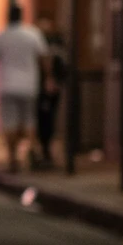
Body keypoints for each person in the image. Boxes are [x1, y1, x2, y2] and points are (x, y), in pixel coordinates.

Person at [0, 5, 50, 173]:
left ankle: (13, 159)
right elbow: (44, 59)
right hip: (29, 85)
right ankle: (33, 150)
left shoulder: (0, 36)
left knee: (10, 123)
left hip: (7, 85)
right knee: (29, 120)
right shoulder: (32, 34)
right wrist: (48, 79)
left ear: (7, 17)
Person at [35, 17, 67, 168]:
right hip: (39, 87)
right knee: (41, 120)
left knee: (48, 119)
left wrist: (54, 80)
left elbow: (60, 64)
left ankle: (46, 151)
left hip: (50, 88)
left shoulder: (56, 43)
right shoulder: (37, 41)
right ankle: (43, 151)